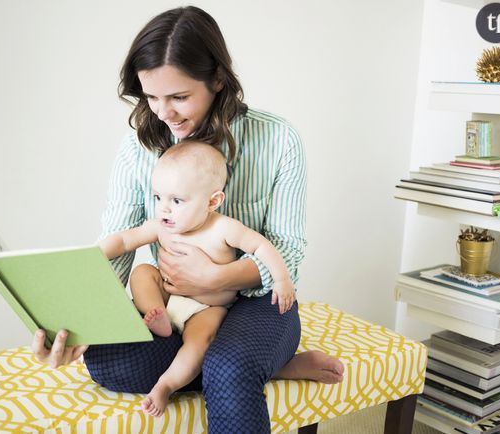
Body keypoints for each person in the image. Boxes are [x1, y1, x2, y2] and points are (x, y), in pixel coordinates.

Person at [32, 6, 344, 433]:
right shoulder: (137, 147)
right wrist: (78, 320)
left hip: (256, 304)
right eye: (151, 96)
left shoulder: (279, 140)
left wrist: (217, 279)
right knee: (108, 359)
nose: (164, 112)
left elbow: (286, 251)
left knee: (229, 366)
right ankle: (272, 366)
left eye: (179, 97)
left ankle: (241, 364)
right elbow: (118, 244)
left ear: (218, 79)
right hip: (178, 307)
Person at [98, 141, 296, 416]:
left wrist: (282, 280)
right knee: (143, 273)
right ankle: (157, 315)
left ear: (213, 201)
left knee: (199, 342)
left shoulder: (223, 228)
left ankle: (166, 385)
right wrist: (94, 255)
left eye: (176, 201)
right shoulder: (163, 227)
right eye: (158, 198)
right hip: (168, 297)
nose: (164, 209)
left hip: (206, 309)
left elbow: (262, 247)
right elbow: (123, 240)